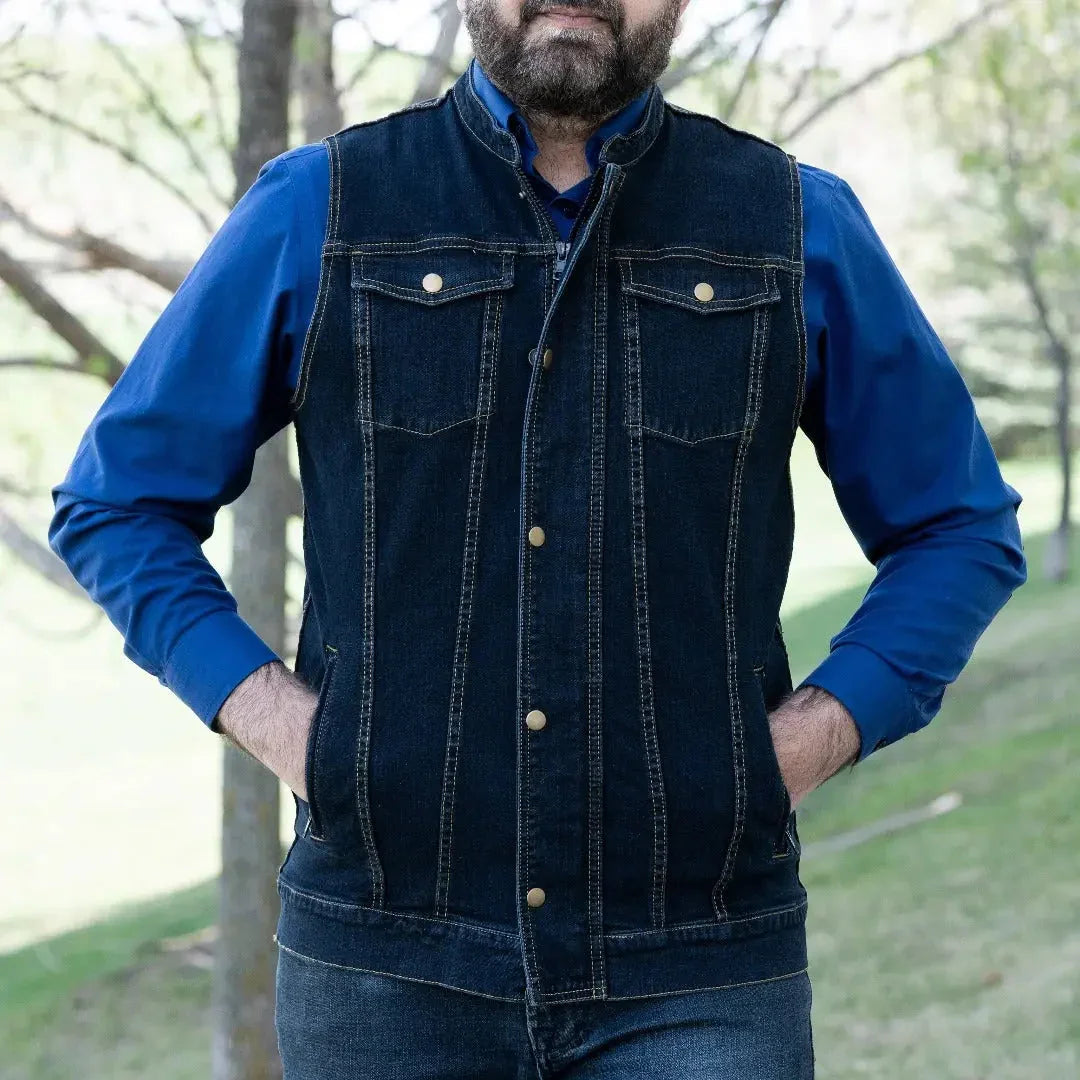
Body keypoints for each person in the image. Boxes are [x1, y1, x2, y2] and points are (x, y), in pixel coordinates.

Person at [48, 0, 1028, 1076]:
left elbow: (958, 527)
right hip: (383, 965)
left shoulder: (794, 224)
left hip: (701, 970)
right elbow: (117, 503)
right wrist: (283, 724)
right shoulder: (320, 210)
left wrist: (809, 739)